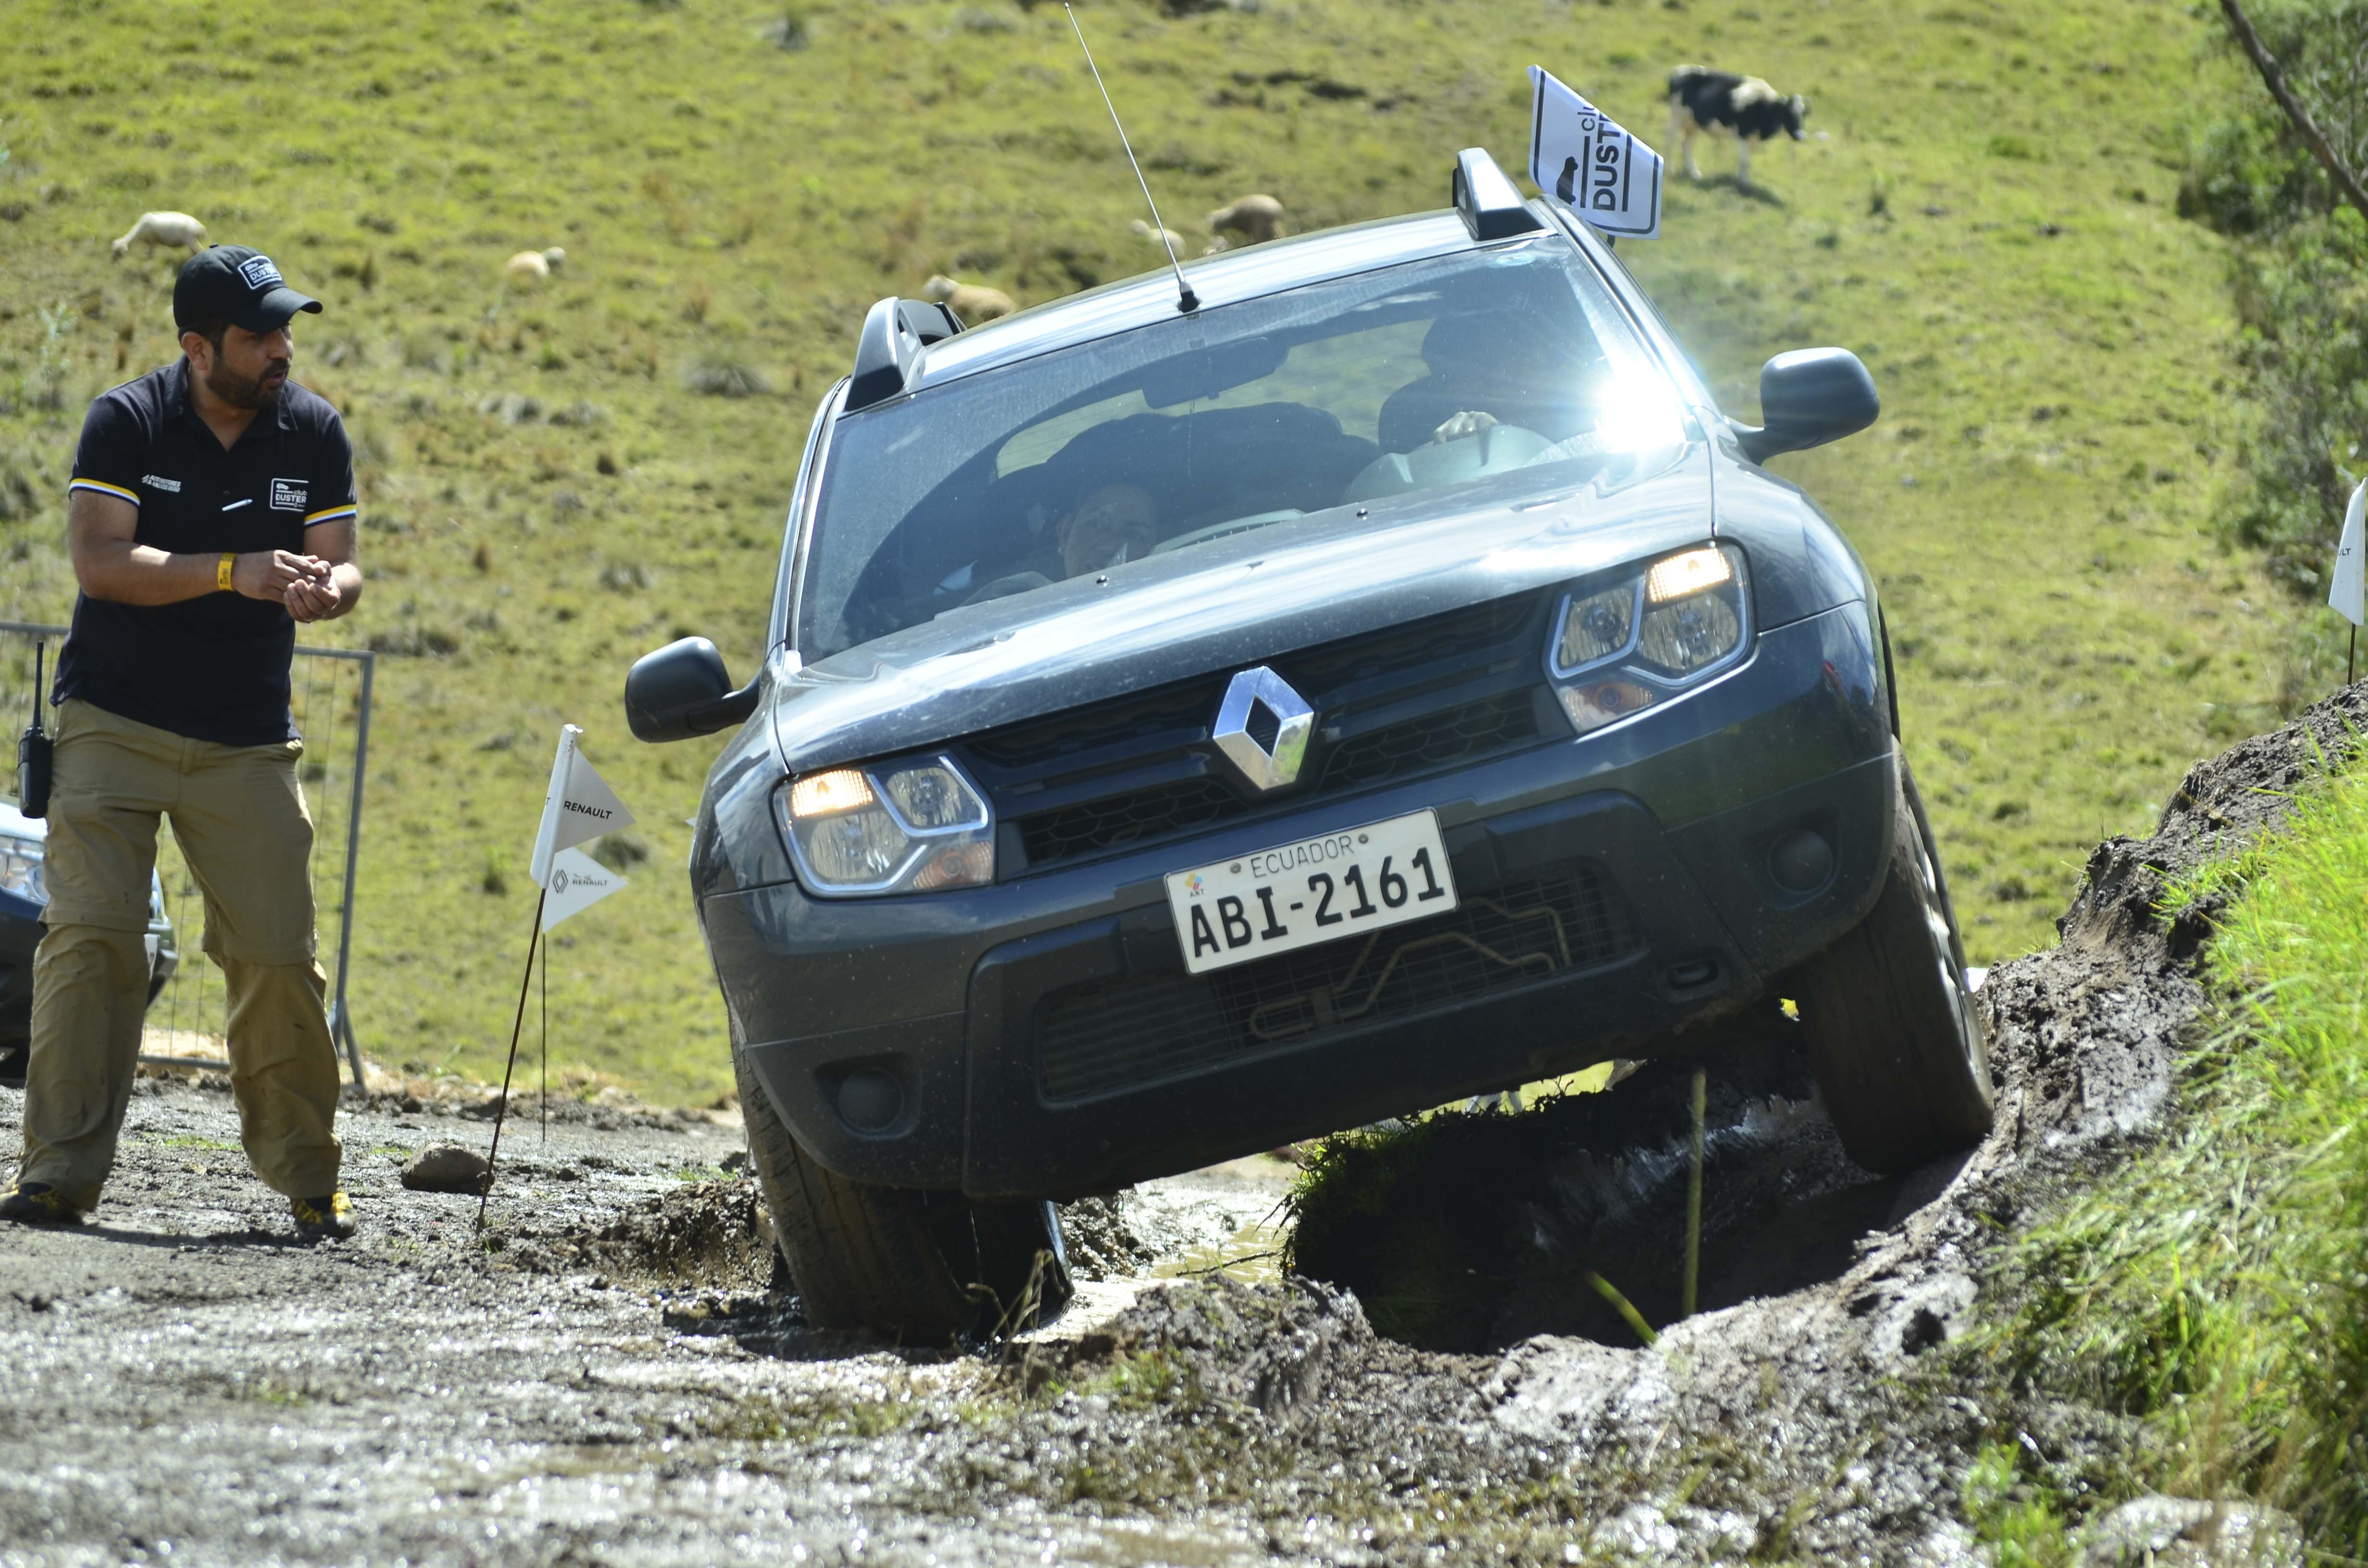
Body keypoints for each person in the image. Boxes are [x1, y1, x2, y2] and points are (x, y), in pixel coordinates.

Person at [1, 246, 365, 1238]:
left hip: (248, 741)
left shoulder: (314, 430)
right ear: (198, 347)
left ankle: (308, 1181)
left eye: (288, 329)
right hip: (112, 723)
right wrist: (230, 574)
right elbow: (100, 561)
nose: (282, 349)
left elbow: (343, 567)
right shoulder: (127, 420)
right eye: (260, 335)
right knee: (93, 940)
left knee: (277, 957)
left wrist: (321, 592)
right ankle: (58, 1176)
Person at [963, 482, 1159, 604]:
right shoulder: (1004, 604)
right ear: (1064, 534)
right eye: (1096, 525)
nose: (1109, 547)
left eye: (1133, 535)